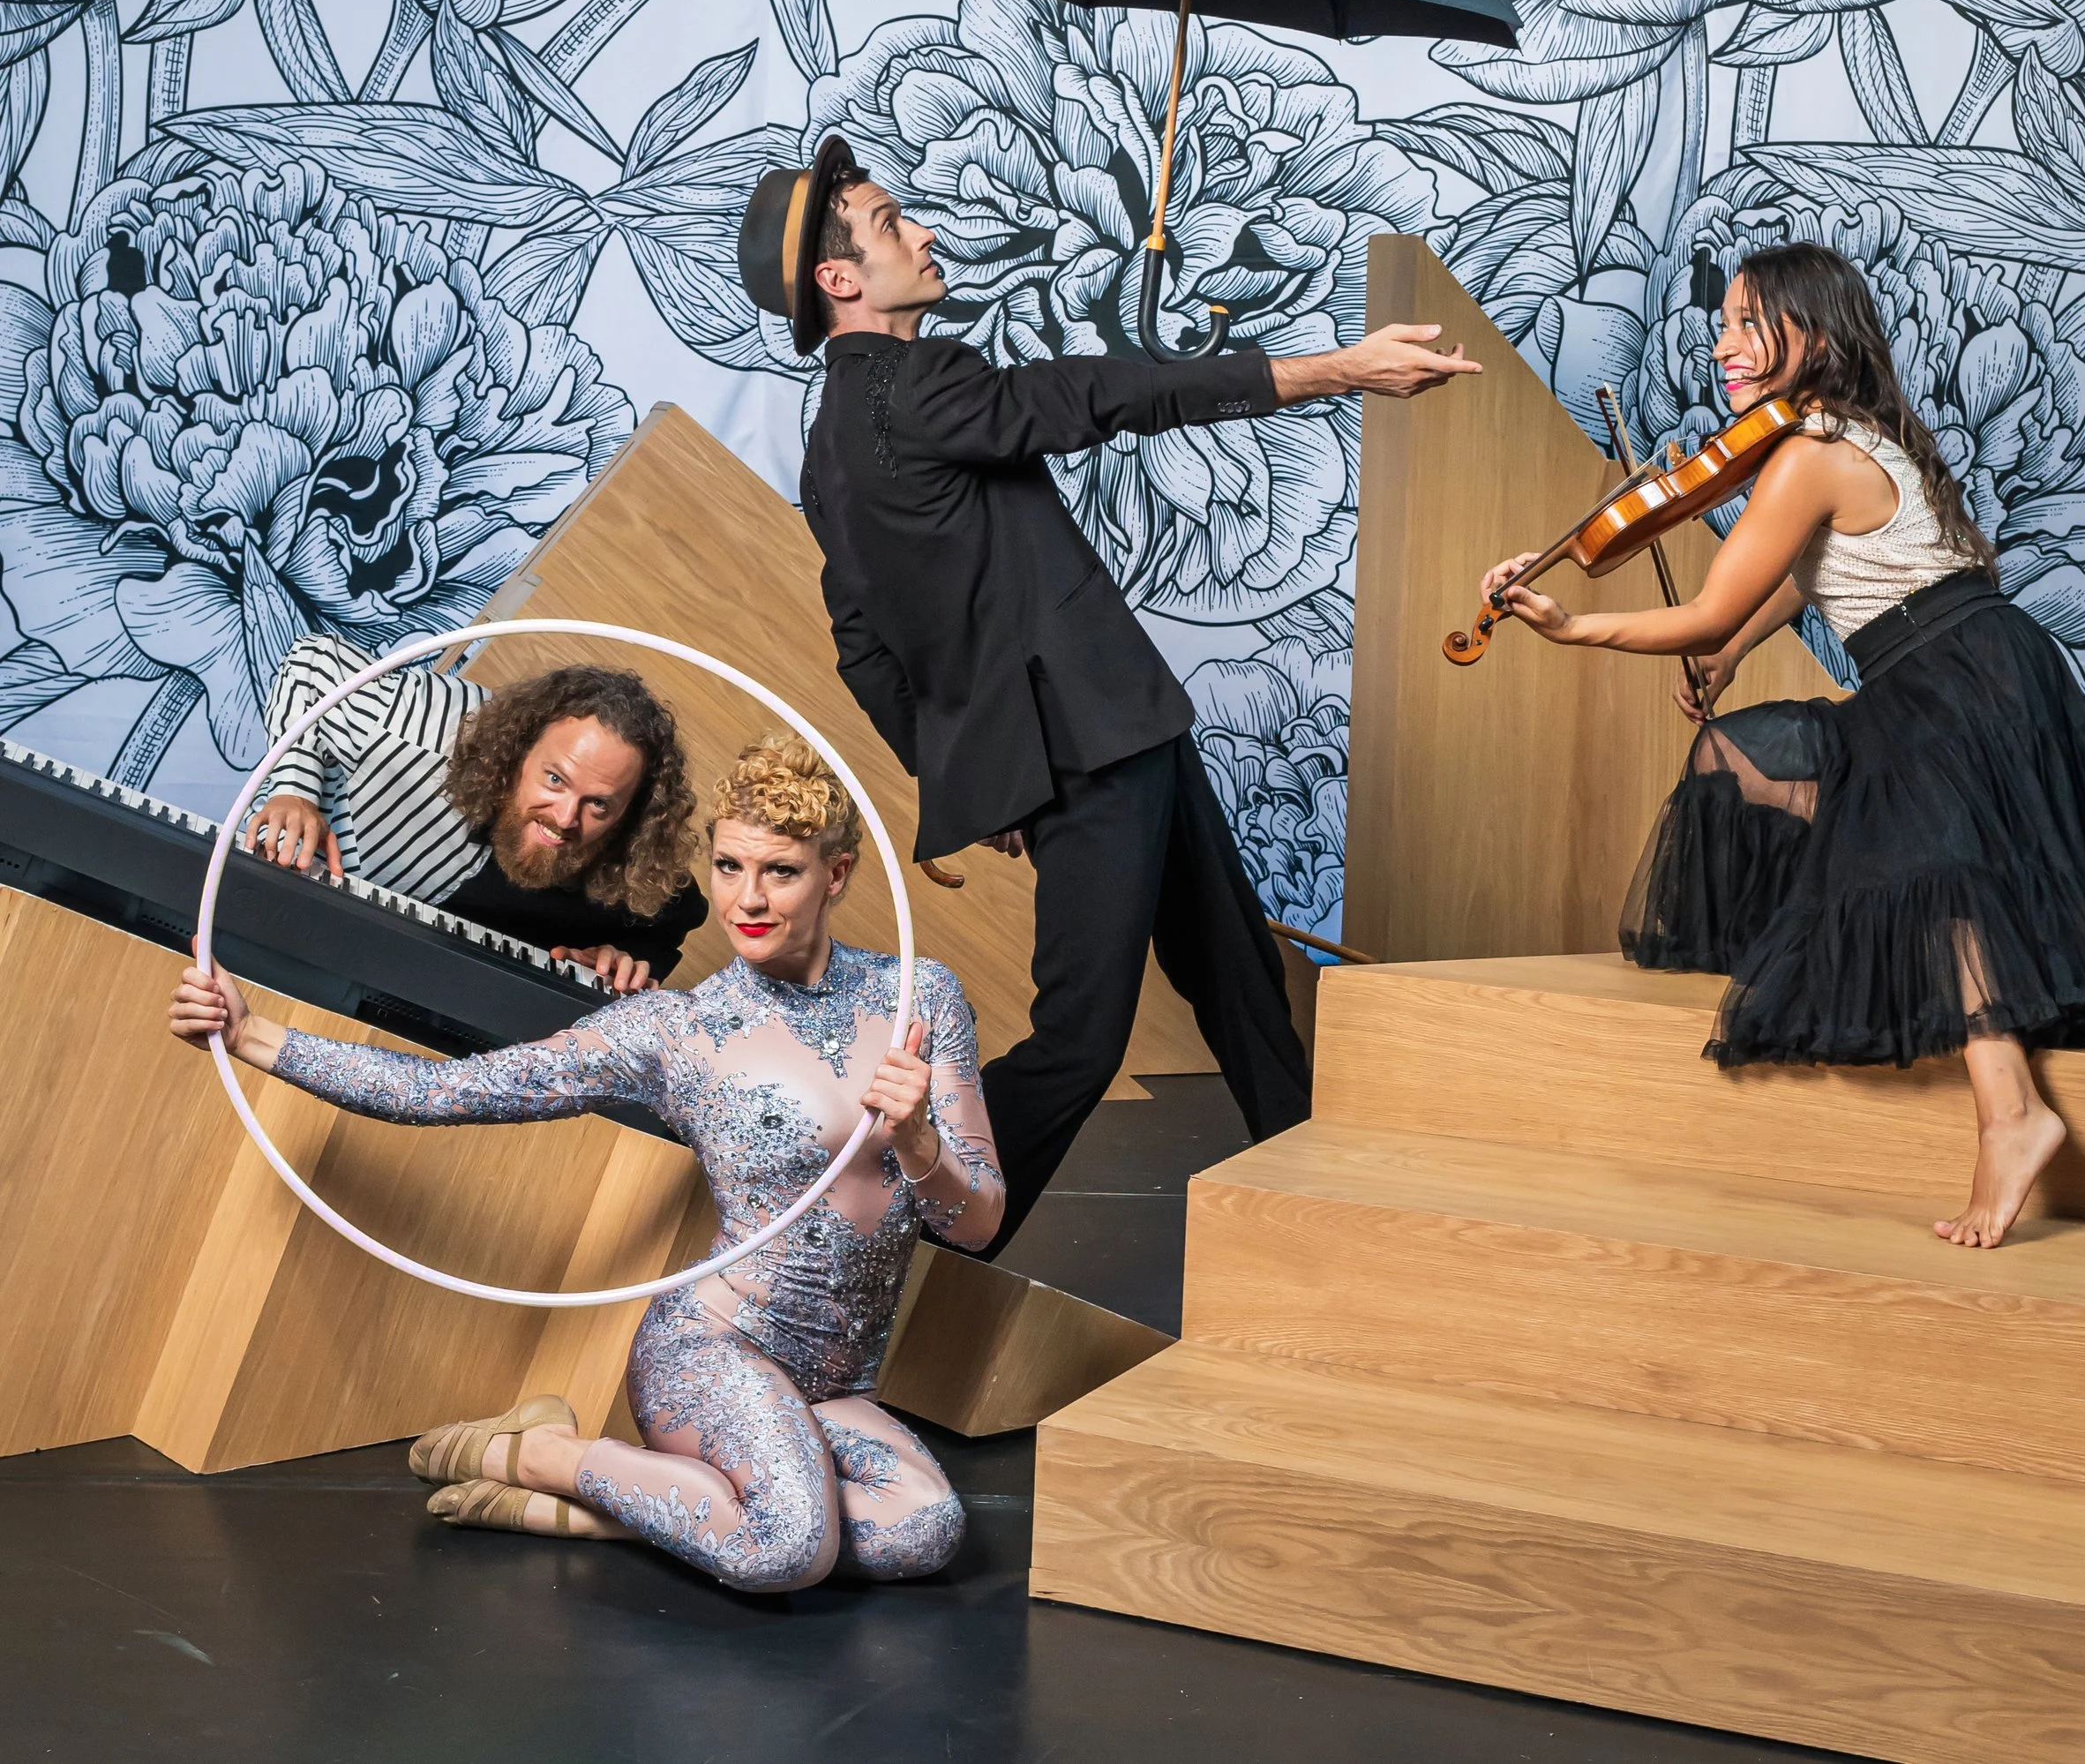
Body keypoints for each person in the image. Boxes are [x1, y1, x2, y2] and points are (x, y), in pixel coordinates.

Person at [737, 135, 1481, 1242]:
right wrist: (1333, 369)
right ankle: (907, 1238)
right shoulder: (909, 386)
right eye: (893, 223)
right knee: (1079, 1040)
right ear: (839, 280)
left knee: (1235, 973)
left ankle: (1326, 1200)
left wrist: (985, 771)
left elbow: (862, 644)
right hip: (1092, 746)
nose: (924, 231)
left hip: (1110, 733)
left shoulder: (832, 440)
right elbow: (1092, 395)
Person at [1479, 241, 2085, 1249]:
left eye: (1746, 324)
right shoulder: (1851, 429)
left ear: (1810, 337)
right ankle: (1969, 1067)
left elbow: (1698, 610)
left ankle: (2012, 1112)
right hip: (1981, 662)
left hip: (1949, 681)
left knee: (1911, 836)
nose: (1723, 344)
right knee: (1743, 760)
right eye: (1724, 322)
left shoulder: (1809, 455)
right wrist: (1733, 655)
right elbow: (1806, 575)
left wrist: (1574, 627)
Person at [170, 738, 1001, 1590]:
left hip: (833, 1379)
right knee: (789, 1550)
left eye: (780, 872)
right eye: (727, 866)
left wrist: (918, 1144)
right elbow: (448, 1091)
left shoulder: (919, 999)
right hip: (715, 1350)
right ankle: (545, 1457)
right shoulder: (674, 1031)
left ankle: (602, 1512)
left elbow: (975, 1223)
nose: (746, 899)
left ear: (837, 874)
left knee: (923, 1531)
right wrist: (251, 1035)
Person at [248, 634, 708, 991]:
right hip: (286, 931)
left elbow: (664, 932)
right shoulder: (425, 729)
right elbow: (311, 665)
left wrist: (623, 958)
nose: (566, 818)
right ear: (516, 753)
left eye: (599, 804)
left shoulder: (636, 857)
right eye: (554, 779)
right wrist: (294, 791)